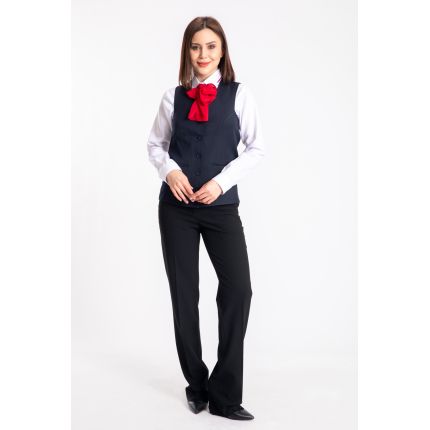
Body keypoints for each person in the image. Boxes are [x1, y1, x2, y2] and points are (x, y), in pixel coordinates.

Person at [147, 16, 265, 421]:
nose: (203, 54)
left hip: (221, 208)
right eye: (196, 46)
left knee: (239, 289)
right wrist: (170, 171)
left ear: (222, 50)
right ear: (187, 51)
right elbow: (156, 144)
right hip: (176, 209)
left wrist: (220, 182)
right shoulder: (172, 97)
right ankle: (196, 385)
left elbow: (256, 148)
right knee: (184, 295)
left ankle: (225, 394)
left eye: (211, 46)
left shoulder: (239, 95)